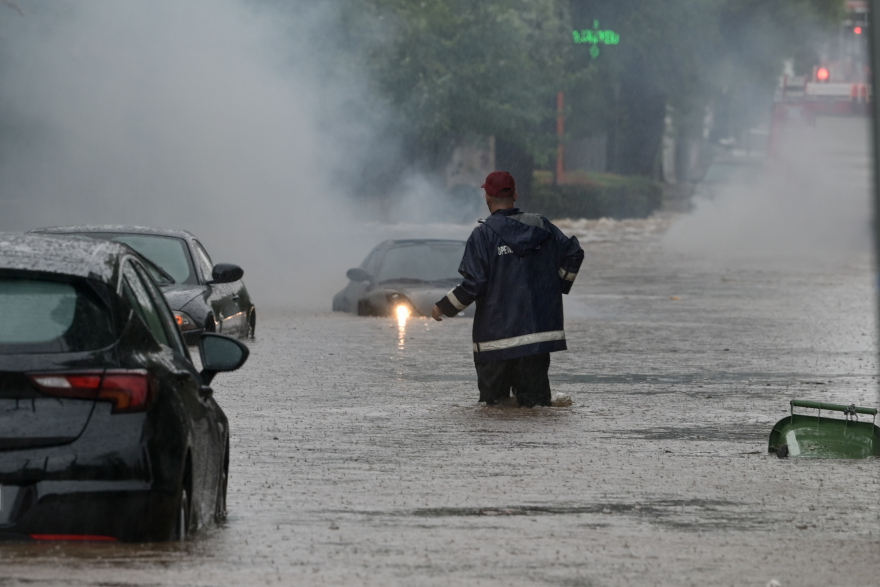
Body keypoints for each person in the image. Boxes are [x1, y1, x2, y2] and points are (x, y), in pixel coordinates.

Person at [431, 171, 584, 407]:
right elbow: (574, 252)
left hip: (495, 343)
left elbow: (474, 284)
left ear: (487, 197)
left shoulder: (482, 236)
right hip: (536, 340)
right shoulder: (542, 226)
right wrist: (559, 284)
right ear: (515, 194)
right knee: (536, 410)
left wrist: (443, 308)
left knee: (494, 411)